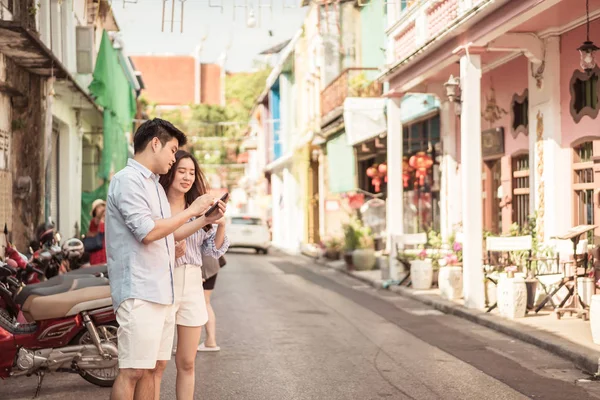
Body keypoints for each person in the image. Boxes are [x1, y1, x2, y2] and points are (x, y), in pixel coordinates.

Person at [105, 118, 225, 400]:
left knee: (153, 368)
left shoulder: (154, 187)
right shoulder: (127, 181)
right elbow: (148, 233)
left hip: (162, 292)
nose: (174, 158)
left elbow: (170, 233)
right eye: (173, 151)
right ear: (155, 143)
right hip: (140, 291)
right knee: (133, 371)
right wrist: (192, 210)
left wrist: (204, 219)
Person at [154, 150, 229, 400]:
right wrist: (169, 251)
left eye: (191, 172)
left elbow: (212, 250)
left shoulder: (197, 208)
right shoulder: (157, 204)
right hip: (163, 281)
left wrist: (221, 224)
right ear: (170, 172)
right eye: (181, 171)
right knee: (158, 363)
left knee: (187, 362)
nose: (187, 177)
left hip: (192, 283)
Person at [198, 253, 222, 352]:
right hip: (212, 263)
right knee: (205, 302)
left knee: (199, 302)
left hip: (202, 265)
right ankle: (210, 341)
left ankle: (189, 344)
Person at [87, 199, 107, 265]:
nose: (102, 209)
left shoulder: (107, 220)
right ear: (95, 211)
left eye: (102, 206)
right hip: (96, 250)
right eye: (99, 207)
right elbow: (97, 232)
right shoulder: (94, 221)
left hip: (104, 250)